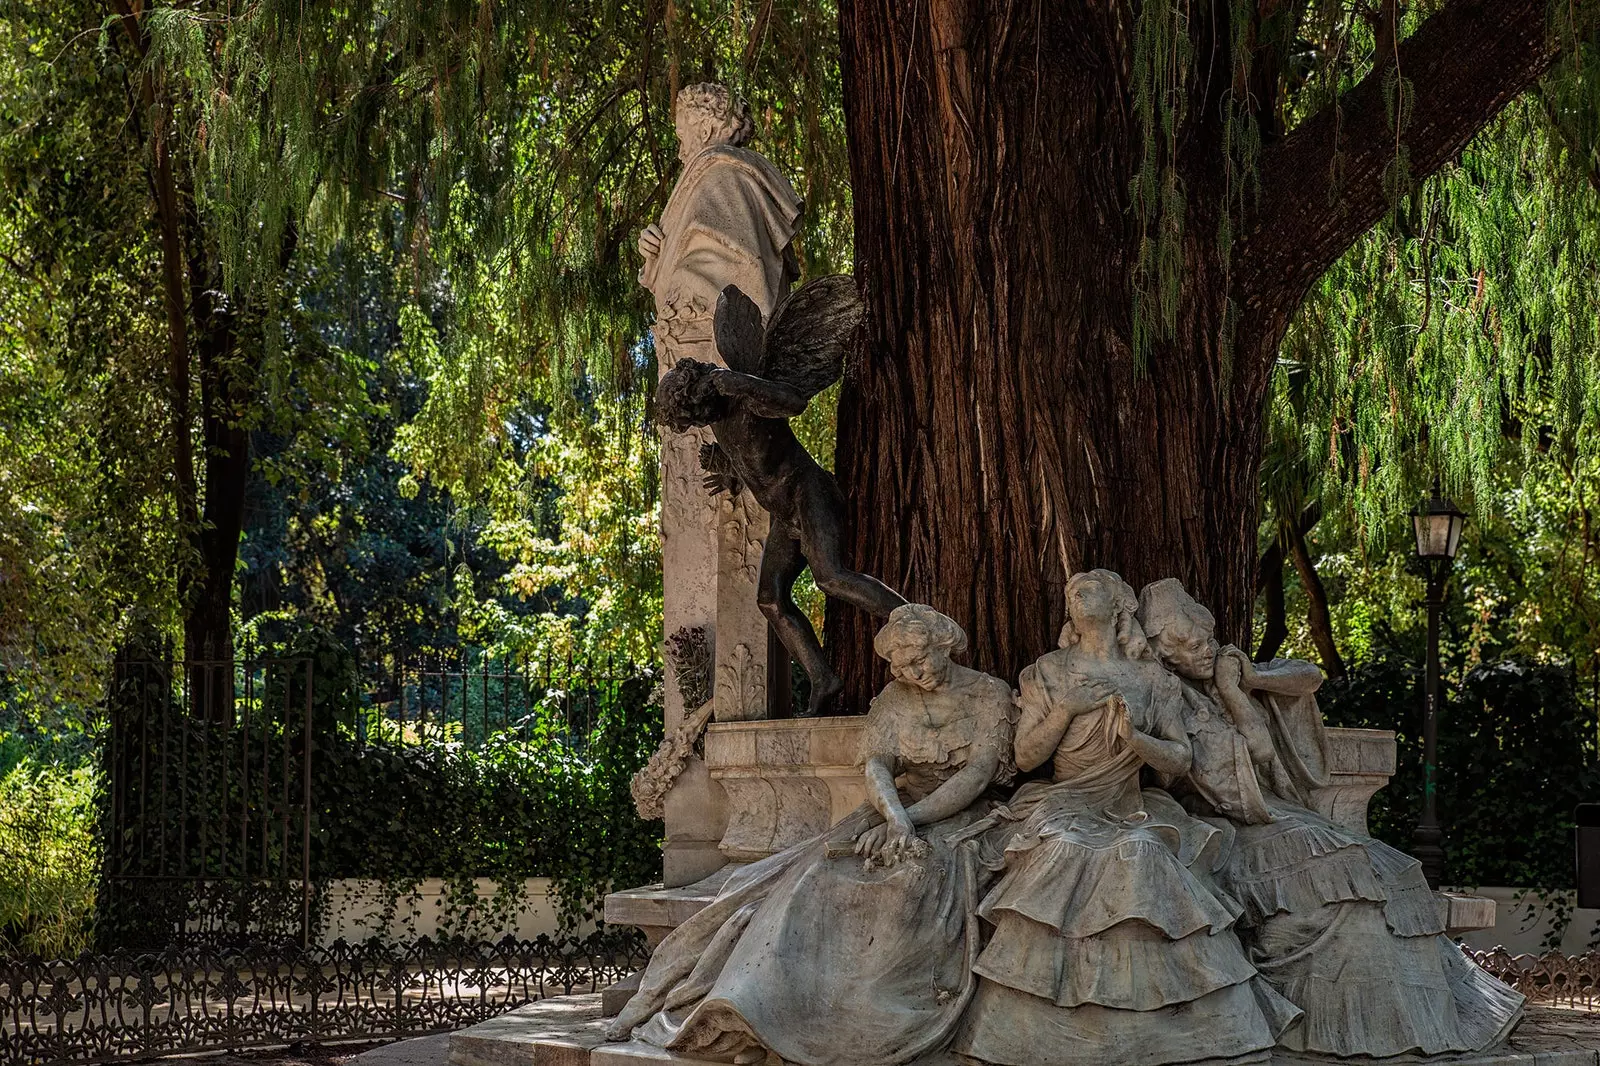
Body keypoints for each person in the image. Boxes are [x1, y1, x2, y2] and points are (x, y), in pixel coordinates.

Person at [605, 604, 1013, 1065]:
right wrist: (893, 816)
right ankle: (759, 1014)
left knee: (910, 880)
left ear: (944, 646)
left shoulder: (988, 696)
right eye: (901, 666)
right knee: (812, 877)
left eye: (919, 660)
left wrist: (910, 821)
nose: (912, 673)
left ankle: (866, 1021)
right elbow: (877, 766)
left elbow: (976, 776)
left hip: (956, 815)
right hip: (891, 810)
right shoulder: (895, 699)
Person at [1138, 578, 1525, 1059]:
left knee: (1392, 871)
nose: (1205, 651)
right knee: (1343, 880)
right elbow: (1240, 773)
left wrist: (1249, 680)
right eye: (1191, 646)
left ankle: (1416, 1021)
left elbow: (1308, 676)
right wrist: (1233, 694)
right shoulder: (1174, 700)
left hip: (1279, 818)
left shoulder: (1229, 672)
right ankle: (1337, 1027)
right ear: (1166, 656)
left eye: (1208, 641)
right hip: (1231, 826)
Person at [952, 570, 1298, 1066]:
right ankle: (1035, 1030)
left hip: (1131, 802)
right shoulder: (1048, 672)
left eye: (1088, 589)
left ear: (1119, 607)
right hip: (1066, 800)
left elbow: (1179, 760)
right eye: (1070, 592)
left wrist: (1137, 740)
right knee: (1064, 849)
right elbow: (1026, 757)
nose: (1075, 595)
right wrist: (1066, 709)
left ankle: (1163, 1030)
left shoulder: (1153, 679)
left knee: (1145, 851)